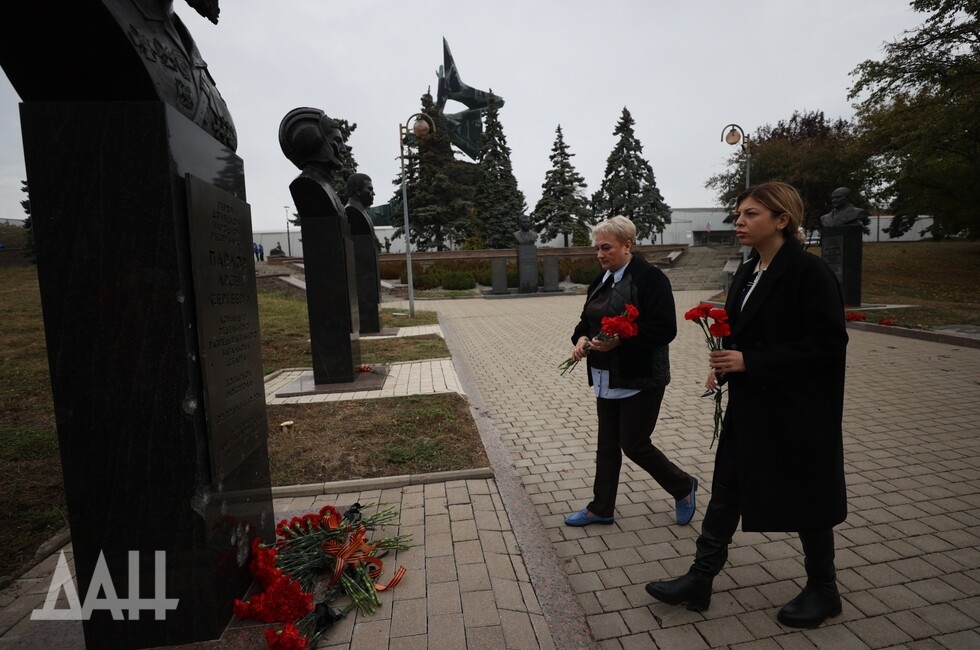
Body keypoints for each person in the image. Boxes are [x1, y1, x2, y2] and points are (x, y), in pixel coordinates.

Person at [645, 182, 848, 629]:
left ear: (782, 220)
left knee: (808, 497)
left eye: (751, 214)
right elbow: (744, 329)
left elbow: (829, 345)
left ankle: (824, 590)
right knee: (727, 489)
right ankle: (700, 579)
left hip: (797, 410)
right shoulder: (749, 269)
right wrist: (724, 363)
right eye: (738, 213)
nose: (738, 221)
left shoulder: (809, 274)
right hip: (752, 404)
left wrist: (751, 361)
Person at [565, 216, 697, 528]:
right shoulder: (601, 279)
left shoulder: (650, 278)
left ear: (628, 245)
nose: (600, 254)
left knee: (634, 444)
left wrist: (620, 342)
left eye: (606, 247)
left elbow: (665, 329)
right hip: (605, 375)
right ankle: (601, 508)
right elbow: (586, 321)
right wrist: (581, 339)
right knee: (607, 445)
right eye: (597, 248)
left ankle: (683, 486)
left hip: (641, 376)